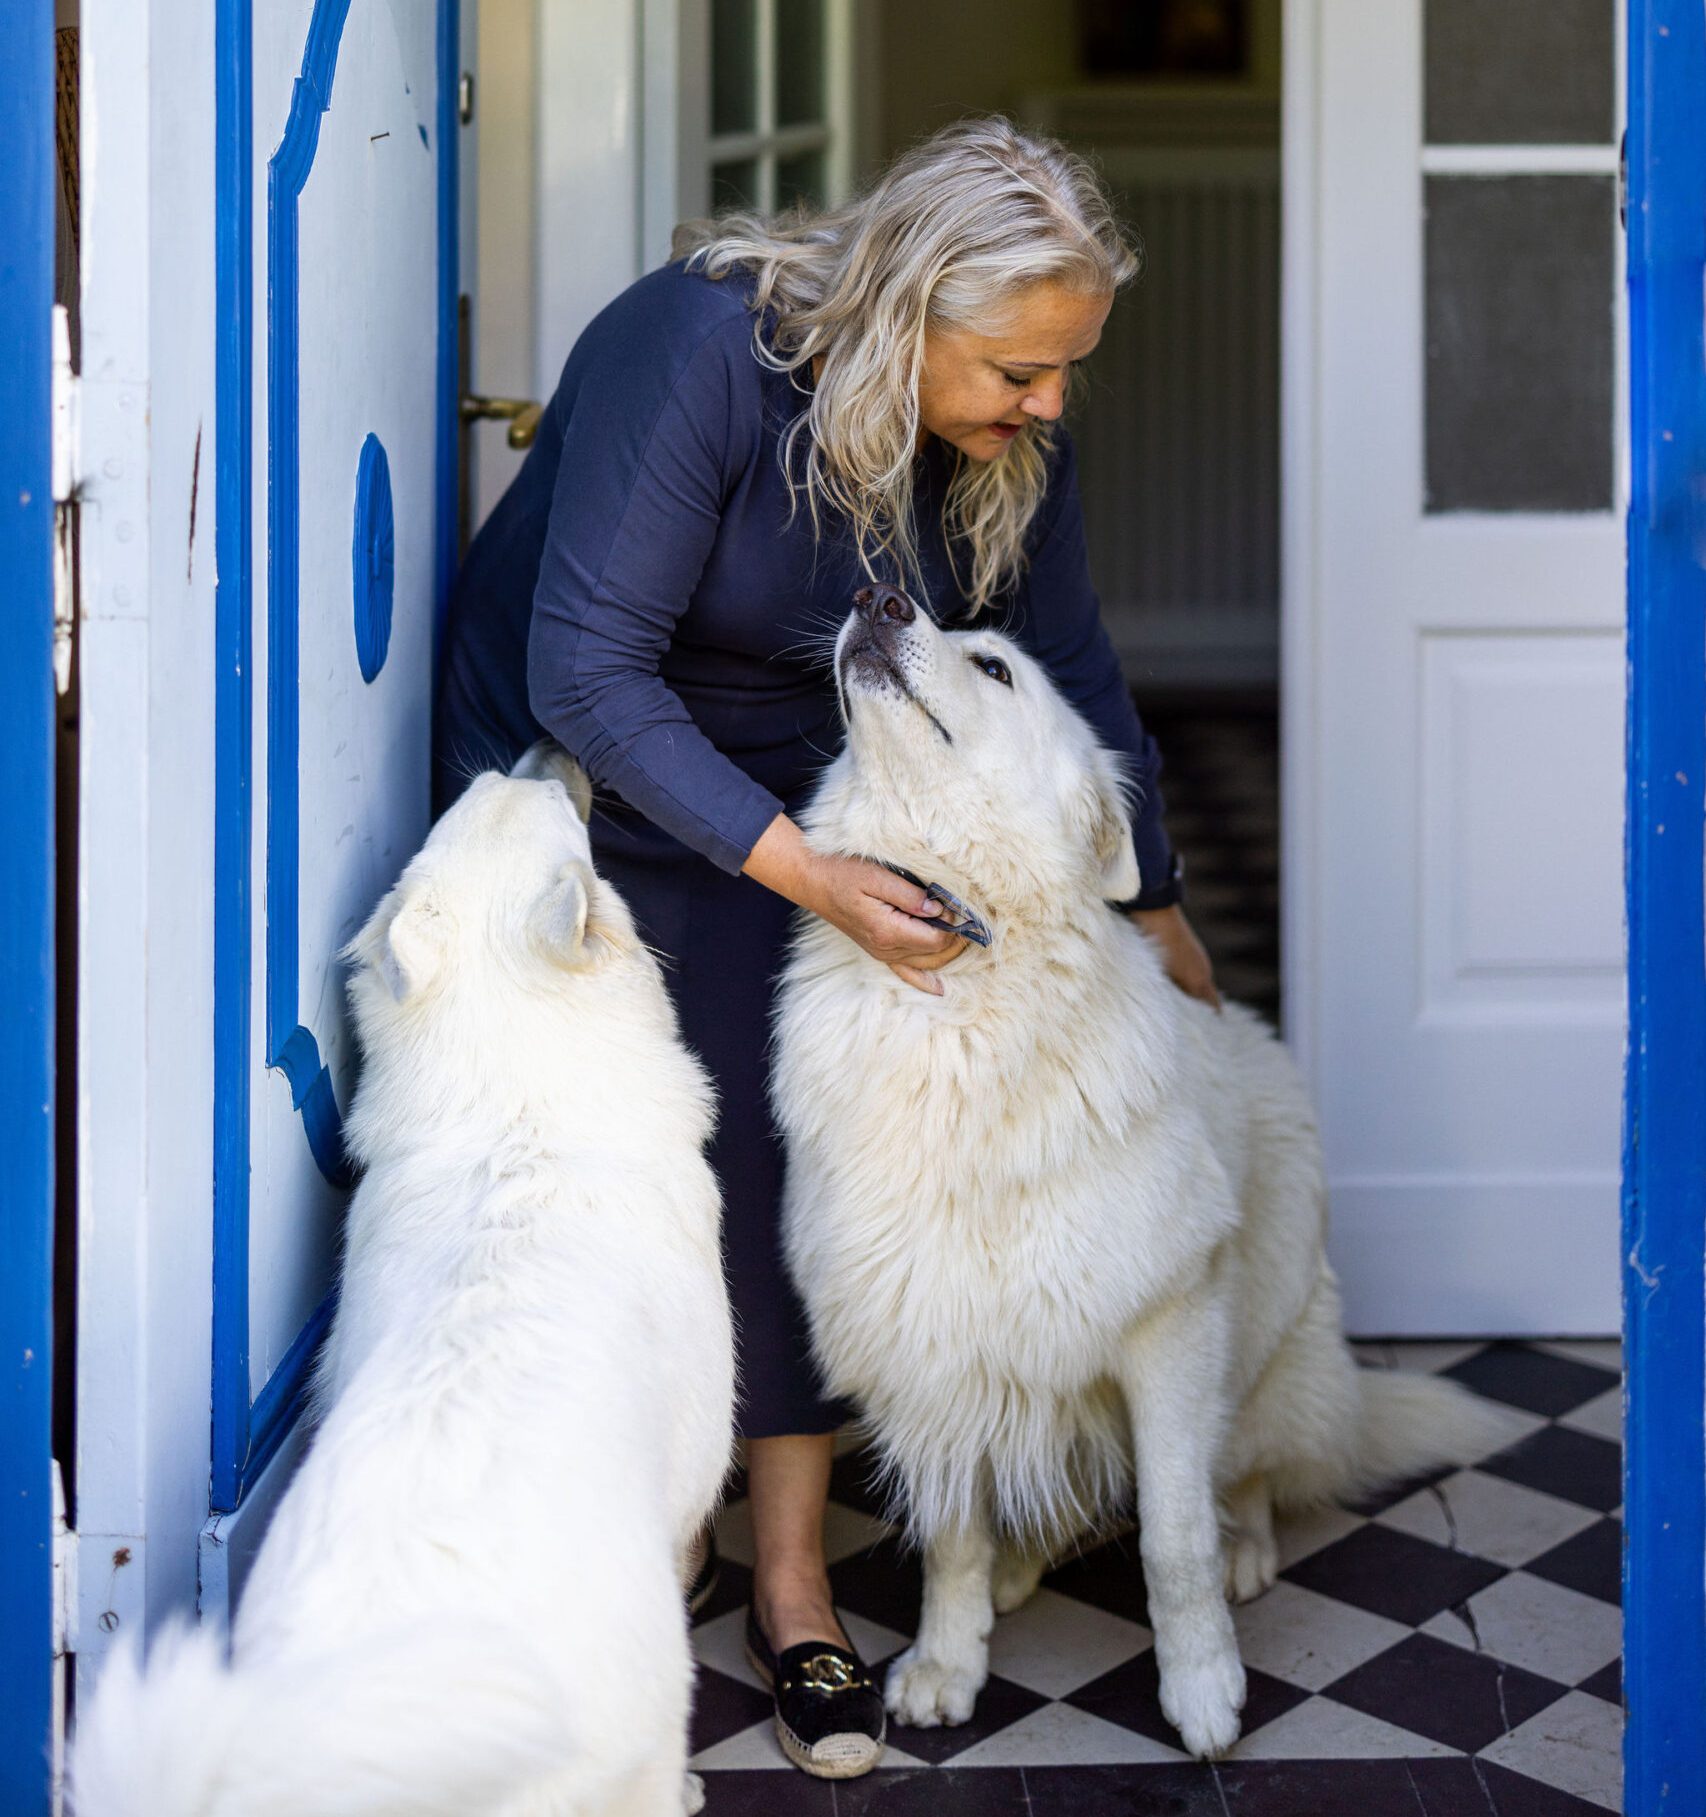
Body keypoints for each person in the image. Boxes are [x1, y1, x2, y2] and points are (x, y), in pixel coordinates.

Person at [433, 115, 1219, 1781]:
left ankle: (790, 1575)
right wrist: (814, 877)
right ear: (914, 306)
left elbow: (1064, 660)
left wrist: (1148, 896)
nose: (1048, 403)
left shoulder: (1006, 436)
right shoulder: (700, 349)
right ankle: (622, 1521)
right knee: (639, 1157)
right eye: (1019, 366)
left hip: (814, 769)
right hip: (595, 766)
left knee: (815, 1154)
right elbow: (584, 667)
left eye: (1064, 370)